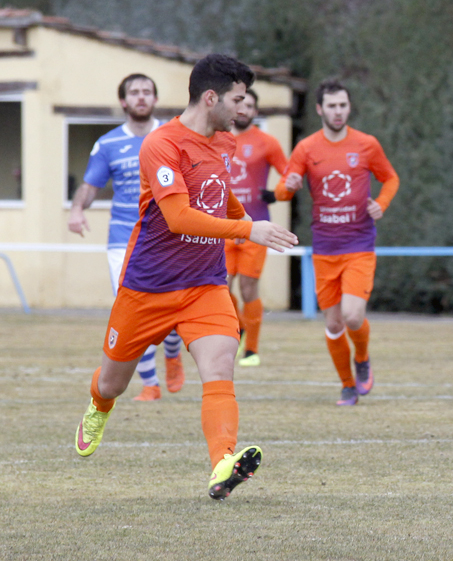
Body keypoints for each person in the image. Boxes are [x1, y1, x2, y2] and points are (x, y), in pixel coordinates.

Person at [73, 54, 299, 500]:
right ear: (210, 97)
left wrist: (252, 224)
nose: (242, 110)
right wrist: (247, 229)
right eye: (237, 99)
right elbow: (178, 217)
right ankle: (99, 406)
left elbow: (220, 196)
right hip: (147, 288)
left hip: (205, 285)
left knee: (219, 369)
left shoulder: (225, 142)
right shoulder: (161, 144)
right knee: (113, 382)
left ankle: (222, 465)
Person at [275, 78, 400, 406]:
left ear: (348, 107)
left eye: (343, 105)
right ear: (320, 109)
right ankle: (347, 385)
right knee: (332, 324)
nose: (338, 111)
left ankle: (362, 358)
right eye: (331, 106)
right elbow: (281, 192)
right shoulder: (306, 148)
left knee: (353, 317)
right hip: (324, 249)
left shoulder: (366, 144)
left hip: (358, 246)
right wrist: (288, 185)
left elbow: (390, 178)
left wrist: (380, 204)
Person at [68, 73, 185, 401]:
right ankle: (150, 384)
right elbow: (91, 186)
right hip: (124, 237)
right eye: (134, 92)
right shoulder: (108, 144)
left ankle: (173, 354)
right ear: (124, 101)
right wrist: (77, 210)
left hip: (168, 236)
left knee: (175, 306)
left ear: (155, 99)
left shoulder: (172, 136)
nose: (141, 97)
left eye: (147, 91)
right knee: (132, 307)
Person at [226, 88, 289, 367]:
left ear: (255, 111)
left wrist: (275, 193)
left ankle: (251, 349)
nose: (244, 110)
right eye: (240, 104)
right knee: (220, 287)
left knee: (249, 288)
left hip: (256, 227)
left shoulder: (267, 142)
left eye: (249, 105)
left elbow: (290, 175)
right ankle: (237, 329)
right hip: (222, 228)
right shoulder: (218, 139)